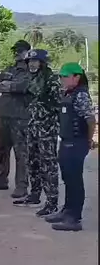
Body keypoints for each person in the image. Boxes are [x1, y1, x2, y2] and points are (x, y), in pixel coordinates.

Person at [45, 63, 97, 231]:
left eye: (65, 76)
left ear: (76, 77)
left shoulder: (80, 95)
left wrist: (88, 140)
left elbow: (90, 120)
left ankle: (74, 218)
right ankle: (66, 211)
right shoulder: (68, 93)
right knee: (67, 178)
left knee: (74, 180)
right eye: (61, 76)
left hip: (77, 142)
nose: (62, 79)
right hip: (66, 141)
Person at [13, 49, 62, 216]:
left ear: (42, 63)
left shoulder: (51, 80)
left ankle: (52, 202)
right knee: (32, 162)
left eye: (35, 61)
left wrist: (53, 123)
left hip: (47, 128)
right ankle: (34, 195)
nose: (32, 64)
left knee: (48, 165)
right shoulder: (31, 78)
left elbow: (59, 104)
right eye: (30, 62)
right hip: (33, 125)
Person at [0, 40, 32, 197]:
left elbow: (23, 86)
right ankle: (1, 180)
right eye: (15, 50)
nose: (16, 53)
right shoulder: (9, 69)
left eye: (19, 50)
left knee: (21, 153)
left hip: (20, 117)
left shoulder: (31, 71)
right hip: (4, 114)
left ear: (27, 52)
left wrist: (8, 86)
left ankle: (21, 186)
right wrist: (8, 85)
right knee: (2, 149)